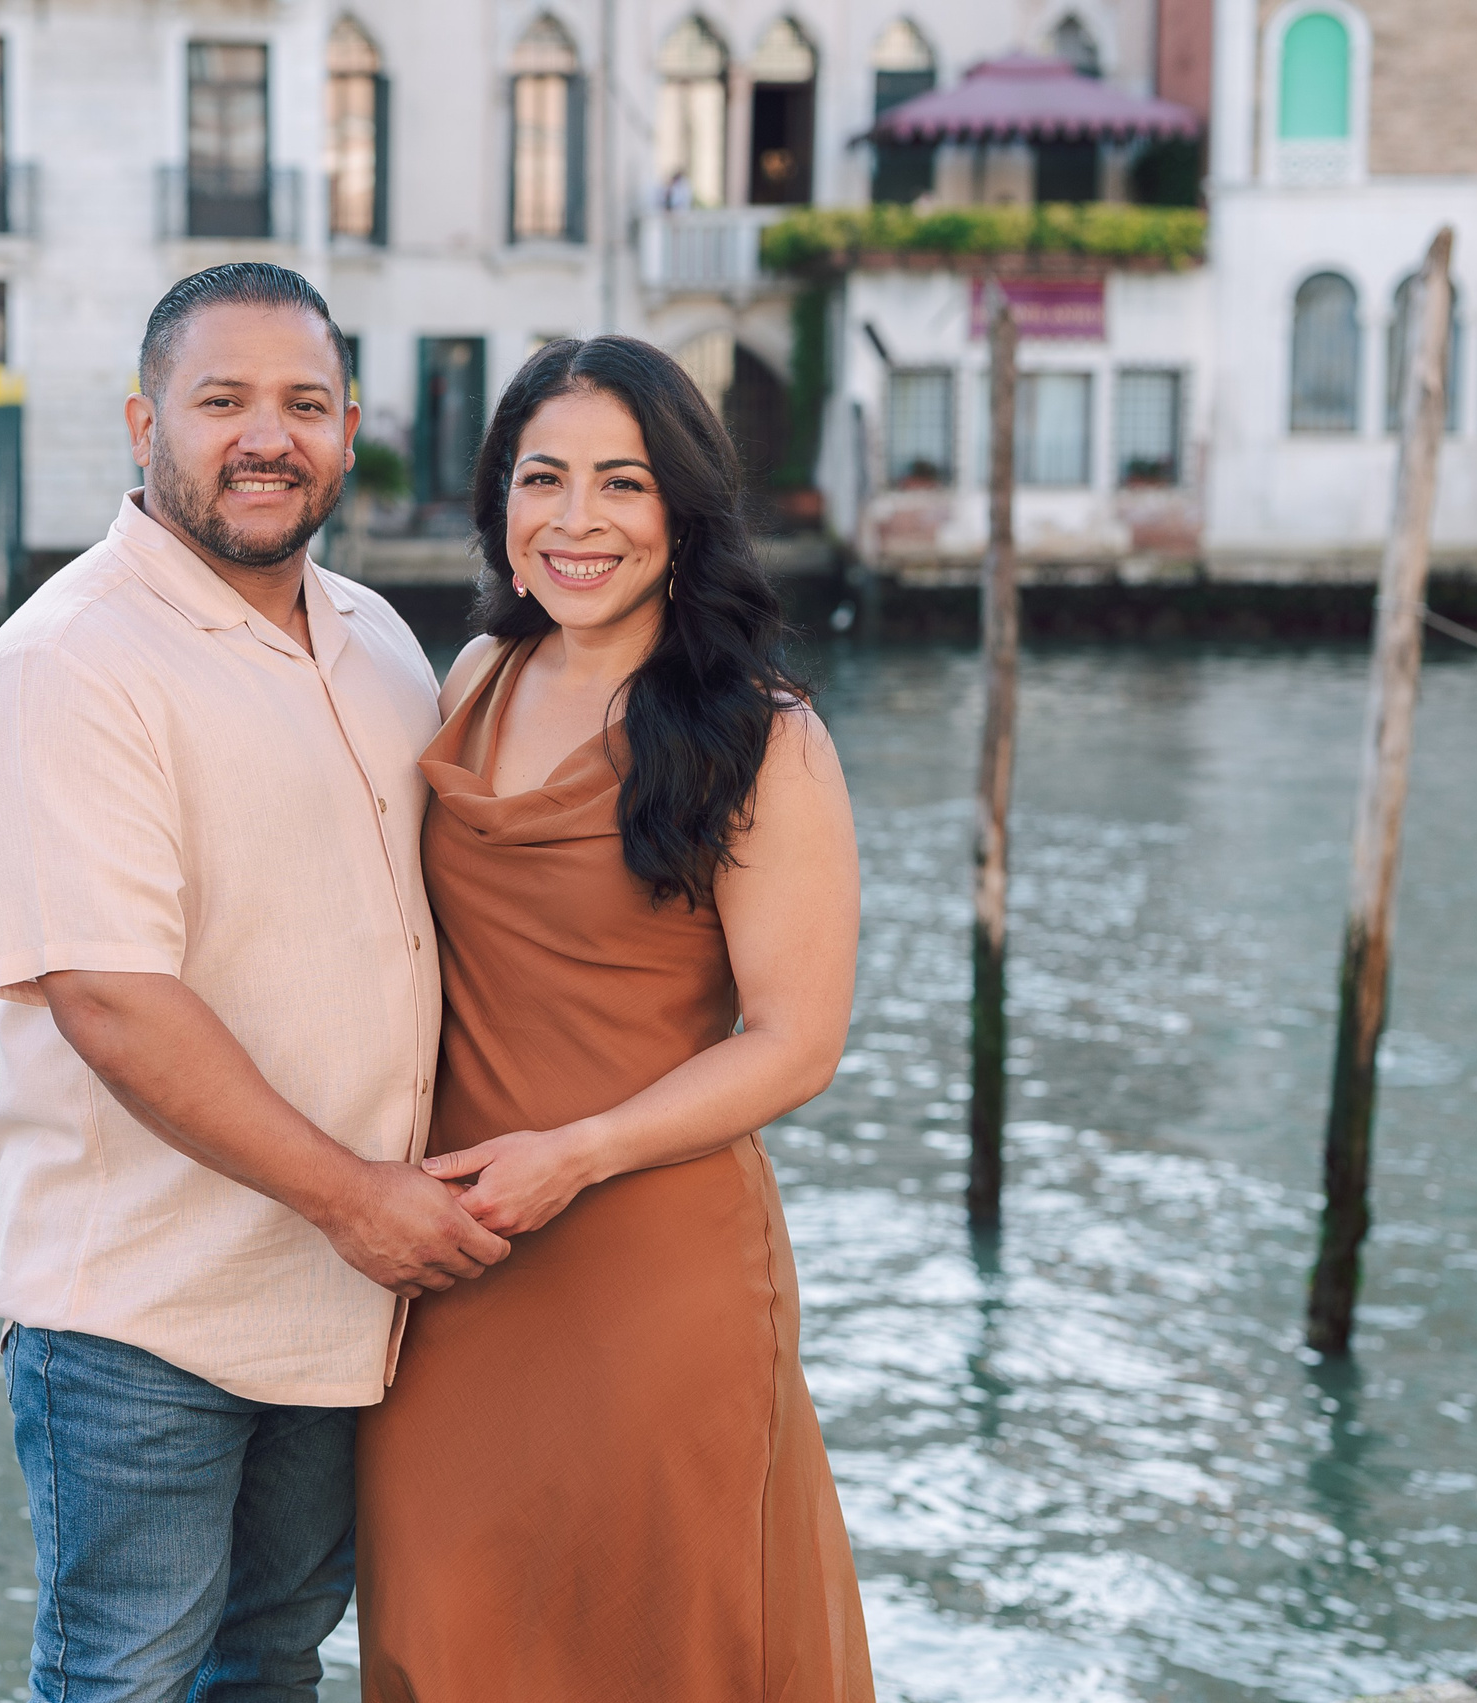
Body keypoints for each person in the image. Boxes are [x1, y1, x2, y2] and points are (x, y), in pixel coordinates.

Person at [0, 263, 507, 1702]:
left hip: (339, 1300)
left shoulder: (380, 637)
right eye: (223, 402)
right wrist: (357, 1198)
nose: (268, 436)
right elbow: (112, 998)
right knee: (124, 1682)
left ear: (350, 428)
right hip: (145, 1316)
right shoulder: (69, 662)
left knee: (270, 1671)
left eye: (303, 404)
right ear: (144, 424)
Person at [355, 335, 877, 1701]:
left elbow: (797, 1042)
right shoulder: (470, 676)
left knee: (659, 1645)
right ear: (501, 503)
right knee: (444, 1632)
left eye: (622, 484)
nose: (576, 520)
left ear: (682, 513)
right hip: (455, 1262)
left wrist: (574, 1153)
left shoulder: (767, 739)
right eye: (543, 478)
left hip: (652, 1268)